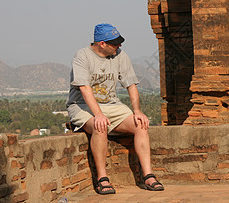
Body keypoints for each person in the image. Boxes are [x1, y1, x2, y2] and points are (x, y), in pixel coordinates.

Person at [66, 23, 164, 195]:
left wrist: (137, 111)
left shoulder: (120, 55)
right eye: (115, 43)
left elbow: (131, 85)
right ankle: (102, 179)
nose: (119, 46)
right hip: (82, 106)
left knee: (140, 124)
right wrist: (98, 114)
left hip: (112, 105)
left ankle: (148, 175)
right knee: (100, 126)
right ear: (102, 43)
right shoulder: (82, 56)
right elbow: (85, 88)